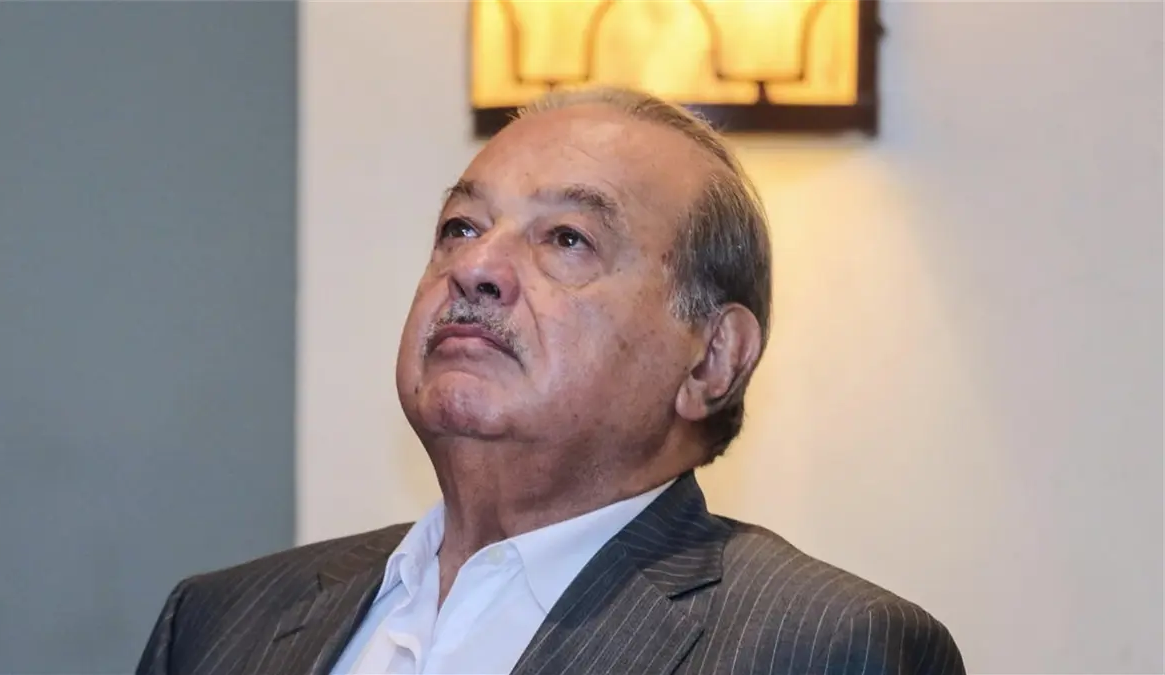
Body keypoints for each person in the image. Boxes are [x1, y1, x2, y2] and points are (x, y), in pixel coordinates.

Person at [136, 87, 965, 675]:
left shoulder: (825, 646)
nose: (476, 267)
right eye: (461, 226)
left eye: (566, 238)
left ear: (711, 359)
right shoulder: (218, 623)